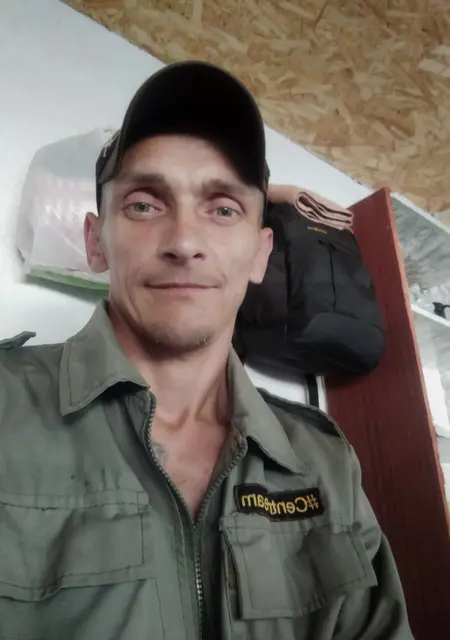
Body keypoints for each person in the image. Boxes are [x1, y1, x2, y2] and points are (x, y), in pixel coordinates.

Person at [0, 61, 413, 640]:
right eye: (144, 204)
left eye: (223, 209)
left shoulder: (324, 462)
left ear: (260, 253)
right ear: (95, 241)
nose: (185, 242)